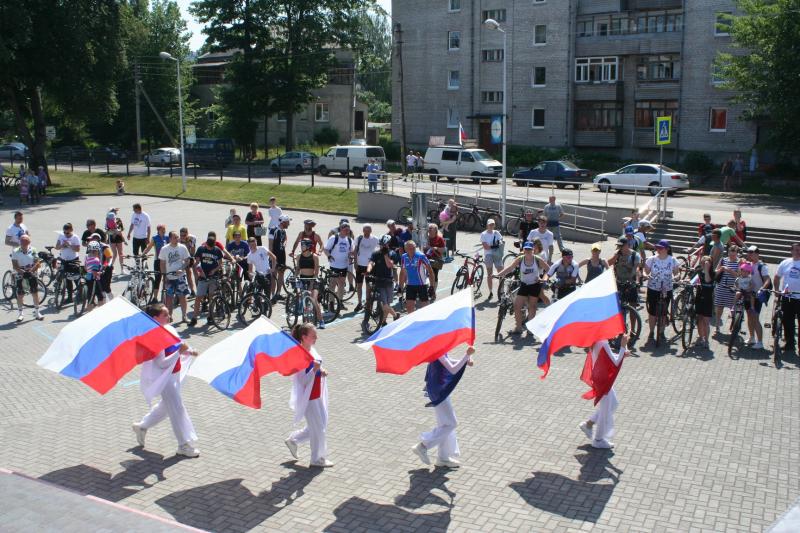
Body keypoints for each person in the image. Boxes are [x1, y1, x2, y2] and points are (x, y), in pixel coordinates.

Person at [133, 303, 200, 458]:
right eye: (165, 315)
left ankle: (142, 426)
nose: (169, 317)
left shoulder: (169, 329)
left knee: (167, 406)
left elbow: (178, 345)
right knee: (177, 409)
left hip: (175, 375)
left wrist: (189, 352)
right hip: (165, 380)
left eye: (168, 313)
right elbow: (161, 363)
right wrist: (179, 352)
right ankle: (183, 445)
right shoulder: (153, 336)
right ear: (155, 318)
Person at [411, 346, 475, 468]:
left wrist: (466, 360)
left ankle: (443, 458)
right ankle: (423, 446)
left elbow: (448, 361)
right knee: (451, 424)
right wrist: (466, 355)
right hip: (438, 391)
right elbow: (452, 369)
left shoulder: (439, 347)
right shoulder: (436, 349)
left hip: (440, 389)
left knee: (445, 425)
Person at [285, 323, 333, 467]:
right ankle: (317, 459)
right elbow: (302, 381)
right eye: (313, 336)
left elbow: (317, 364)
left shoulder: (311, 349)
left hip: (318, 392)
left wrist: (321, 370)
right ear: (304, 337)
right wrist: (314, 370)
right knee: (318, 427)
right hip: (309, 396)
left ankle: (293, 440)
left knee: (320, 423)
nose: (316, 338)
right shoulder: (299, 356)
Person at [577, 335, 629, 449]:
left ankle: (588, 424)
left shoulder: (599, 340)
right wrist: (622, 346)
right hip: (603, 379)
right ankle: (598, 440)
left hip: (600, 377)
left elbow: (607, 358)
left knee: (613, 404)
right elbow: (615, 362)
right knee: (606, 410)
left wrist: (623, 352)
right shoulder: (603, 342)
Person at [496, 241, 550, 335]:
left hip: (534, 285)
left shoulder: (537, 259)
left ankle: (530, 329)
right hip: (524, 285)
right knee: (517, 306)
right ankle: (518, 327)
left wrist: (543, 278)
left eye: (530, 249)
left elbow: (549, 269)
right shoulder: (520, 259)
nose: (528, 251)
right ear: (523, 250)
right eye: (526, 249)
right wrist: (498, 274)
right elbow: (510, 268)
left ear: (533, 250)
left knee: (532, 307)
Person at [189, 231, 232, 327]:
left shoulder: (217, 250)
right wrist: (198, 270)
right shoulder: (201, 249)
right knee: (198, 297)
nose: (210, 249)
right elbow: (197, 263)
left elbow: (220, 264)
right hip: (203, 278)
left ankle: (210, 317)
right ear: (206, 244)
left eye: (211, 248)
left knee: (211, 297)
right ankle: (194, 318)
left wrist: (214, 270)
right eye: (208, 247)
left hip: (213, 277)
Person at [643, 239, 680, 344]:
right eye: (657, 247)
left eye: (661, 248)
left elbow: (677, 274)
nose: (658, 249)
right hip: (653, 288)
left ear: (667, 249)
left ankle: (662, 332)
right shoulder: (651, 259)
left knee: (664, 312)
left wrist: (676, 278)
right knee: (652, 312)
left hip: (667, 288)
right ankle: (651, 332)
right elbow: (645, 271)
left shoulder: (673, 260)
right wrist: (646, 276)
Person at [773, 242, 800, 362]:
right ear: (791, 251)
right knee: (787, 321)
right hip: (787, 297)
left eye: (799, 250)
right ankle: (789, 344)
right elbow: (777, 277)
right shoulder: (785, 263)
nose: (798, 252)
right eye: (796, 250)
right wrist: (777, 291)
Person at [365, 235, 399, 328]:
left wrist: (385, 255)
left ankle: (383, 322)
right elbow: (371, 263)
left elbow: (389, 265)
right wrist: (368, 270)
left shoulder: (392, 254)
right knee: (384, 305)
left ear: (388, 245)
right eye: (381, 245)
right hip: (379, 281)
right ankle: (396, 315)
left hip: (388, 281)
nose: (382, 247)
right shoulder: (376, 253)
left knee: (387, 304)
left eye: (384, 245)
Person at [159, 231, 191, 323]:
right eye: (175, 237)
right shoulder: (165, 249)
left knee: (182, 296)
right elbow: (162, 263)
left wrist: (182, 268)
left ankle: (184, 316)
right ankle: (169, 316)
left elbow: (187, 260)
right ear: (170, 239)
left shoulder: (182, 247)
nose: (177, 239)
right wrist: (164, 276)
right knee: (169, 298)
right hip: (169, 277)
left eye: (177, 237)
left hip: (180, 277)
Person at [11, 235, 44, 321]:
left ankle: (37, 312)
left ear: (29, 242)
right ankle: (20, 314)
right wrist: (22, 272)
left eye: (26, 242)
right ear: (20, 242)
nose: (24, 244)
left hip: (32, 273)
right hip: (20, 274)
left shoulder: (33, 250)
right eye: (23, 242)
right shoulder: (15, 251)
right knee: (20, 294)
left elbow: (37, 263)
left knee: (35, 293)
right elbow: (14, 265)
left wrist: (32, 270)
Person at [399, 240, 436, 314]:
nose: (412, 250)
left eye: (413, 248)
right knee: (409, 308)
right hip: (410, 285)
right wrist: (400, 287)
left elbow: (430, 271)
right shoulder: (404, 257)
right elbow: (402, 272)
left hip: (422, 285)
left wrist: (432, 286)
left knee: (425, 308)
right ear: (405, 249)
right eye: (410, 248)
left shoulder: (421, 256)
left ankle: (426, 322)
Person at [295, 238, 324, 328]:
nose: (301, 246)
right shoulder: (299, 256)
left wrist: (312, 282)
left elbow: (316, 271)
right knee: (300, 297)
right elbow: (298, 269)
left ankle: (321, 320)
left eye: (303, 245)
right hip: (302, 279)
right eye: (301, 244)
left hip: (313, 279)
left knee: (314, 300)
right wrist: (295, 277)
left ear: (308, 246)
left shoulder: (314, 257)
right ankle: (304, 319)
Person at [744, 246, 770, 349]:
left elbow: (767, 279)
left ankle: (760, 342)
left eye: (752, 252)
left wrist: (762, 289)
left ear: (757, 254)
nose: (749, 254)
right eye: (748, 252)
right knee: (749, 316)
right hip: (748, 294)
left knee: (755, 318)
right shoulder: (748, 264)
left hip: (757, 295)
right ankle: (752, 337)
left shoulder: (762, 266)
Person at [324, 221, 354, 303]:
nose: (347, 231)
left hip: (344, 266)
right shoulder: (334, 238)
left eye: (348, 230)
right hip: (334, 265)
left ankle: (340, 302)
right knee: (332, 284)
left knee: (341, 285)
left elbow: (351, 252)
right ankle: (331, 303)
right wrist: (329, 256)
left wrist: (351, 256)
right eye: (345, 230)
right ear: (341, 229)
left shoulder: (350, 240)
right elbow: (326, 249)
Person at [714, 244, 741, 334]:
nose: (732, 256)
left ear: (737, 254)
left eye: (734, 254)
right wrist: (720, 270)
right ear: (728, 252)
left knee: (733, 309)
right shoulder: (723, 260)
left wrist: (729, 270)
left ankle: (733, 326)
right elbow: (716, 272)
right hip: (721, 287)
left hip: (733, 288)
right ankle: (717, 325)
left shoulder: (739, 262)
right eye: (730, 253)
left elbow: (739, 275)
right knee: (719, 307)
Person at [608, 237, 640, 307]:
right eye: (618, 246)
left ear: (627, 245)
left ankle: (633, 315)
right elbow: (608, 263)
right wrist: (615, 257)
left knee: (632, 306)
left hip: (631, 283)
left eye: (621, 246)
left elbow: (636, 268)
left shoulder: (635, 255)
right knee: (618, 307)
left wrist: (637, 280)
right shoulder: (617, 254)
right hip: (619, 283)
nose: (619, 247)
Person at [353, 224, 379, 312]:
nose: (366, 232)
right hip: (360, 265)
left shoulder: (375, 239)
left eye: (368, 230)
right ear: (363, 230)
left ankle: (368, 303)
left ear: (371, 231)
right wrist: (355, 262)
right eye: (365, 230)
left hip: (370, 266)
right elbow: (355, 250)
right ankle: (359, 303)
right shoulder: (359, 238)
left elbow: (379, 250)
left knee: (369, 286)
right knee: (359, 285)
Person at [54, 223, 81, 301]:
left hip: (73, 260)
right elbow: (57, 247)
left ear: (71, 230)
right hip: (64, 260)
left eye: (67, 233)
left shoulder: (75, 237)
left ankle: (81, 294)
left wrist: (69, 245)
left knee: (75, 278)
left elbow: (78, 249)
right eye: (64, 232)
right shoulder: (61, 236)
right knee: (67, 279)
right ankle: (70, 297)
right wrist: (62, 245)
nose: (66, 234)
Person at [693, 256, 716, 348]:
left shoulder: (712, 273)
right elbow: (693, 279)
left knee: (706, 321)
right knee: (699, 320)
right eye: (702, 263)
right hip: (699, 298)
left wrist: (706, 270)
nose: (703, 265)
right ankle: (700, 336)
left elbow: (707, 280)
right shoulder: (698, 271)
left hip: (708, 300)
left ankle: (706, 340)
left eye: (706, 263)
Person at [143, 224, 169, 299]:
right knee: (158, 279)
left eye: (164, 229)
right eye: (162, 230)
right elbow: (149, 247)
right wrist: (143, 254)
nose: (164, 231)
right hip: (157, 261)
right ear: (158, 230)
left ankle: (165, 296)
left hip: (166, 261)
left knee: (166, 278)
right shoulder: (155, 238)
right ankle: (155, 298)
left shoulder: (167, 238)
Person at [480, 219, 504, 300]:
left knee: (501, 272)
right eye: (490, 224)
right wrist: (495, 245)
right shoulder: (483, 234)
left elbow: (501, 242)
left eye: (493, 224)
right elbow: (486, 247)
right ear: (487, 225)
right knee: (489, 274)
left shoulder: (496, 233)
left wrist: (498, 244)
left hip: (497, 254)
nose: (491, 226)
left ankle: (501, 290)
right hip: (488, 255)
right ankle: (490, 292)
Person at [270, 215, 291, 300]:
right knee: (274, 275)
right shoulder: (273, 230)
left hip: (282, 255)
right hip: (275, 255)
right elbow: (270, 244)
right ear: (283, 222)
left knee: (281, 274)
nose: (289, 224)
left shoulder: (283, 230)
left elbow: (285, 238)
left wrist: (285, 243)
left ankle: (278, 293)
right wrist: (271, 257)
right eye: (288, 222)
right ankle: (272, 295)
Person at [83, 241, 107, 312]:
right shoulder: (96, 260)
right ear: (97, 250)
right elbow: (94, 272)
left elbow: (85, 267)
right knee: (100, 297)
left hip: (88, 278)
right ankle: (100, 313)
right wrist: (100, 272)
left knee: (90, 297)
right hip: (95, 281)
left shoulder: (87, 257)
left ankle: (90, 310)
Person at [106, 207, 126, 271]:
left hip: (117, 238)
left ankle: (122, 269)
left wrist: (115, 232)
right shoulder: (108, 220)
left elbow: (121, 229)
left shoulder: (118, 220)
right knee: (115, 254)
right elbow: (108, 231)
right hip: (113, 239)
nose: (115, 212)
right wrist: (115, 232)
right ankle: (110, 268)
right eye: (114, 211)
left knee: (120, 254)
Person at [178, 227, 198, 296]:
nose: (182, 237)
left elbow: (192, 251)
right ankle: (192, 291)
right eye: (181, 235)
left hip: (192, 255)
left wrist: (191, 260)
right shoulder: (179, 240)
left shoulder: (192, 238)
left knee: (196, 273)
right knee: (188, 274)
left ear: (187, 234)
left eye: (184, 235)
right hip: (185, 257)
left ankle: (199, 290)